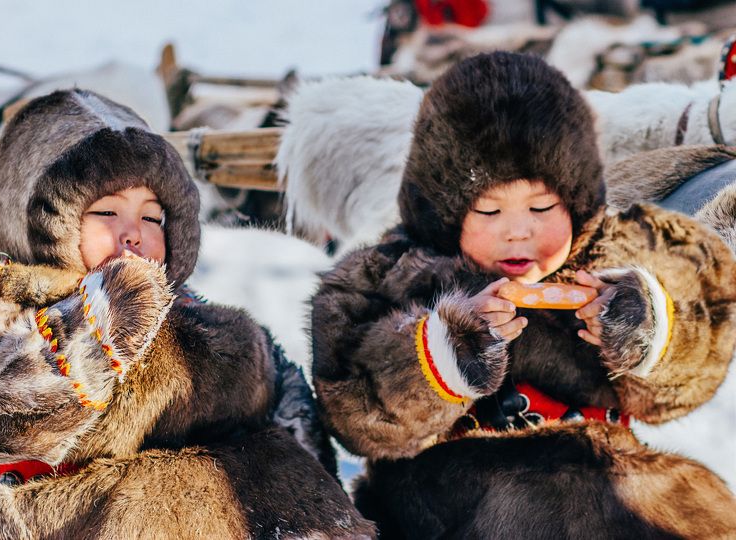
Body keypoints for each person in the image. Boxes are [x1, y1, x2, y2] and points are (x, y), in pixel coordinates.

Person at [311, 52, 736, 538]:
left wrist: (648, 327)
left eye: (541, 207)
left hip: (614, 489)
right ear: (445, 210)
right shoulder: (390, 275)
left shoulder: (624, 255)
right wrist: (443, 353)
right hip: (450, 502)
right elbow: (355, 411)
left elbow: (696, 355)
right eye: (489, 212)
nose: (519, 233)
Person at [0, 89, 374, 539]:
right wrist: (106, 323)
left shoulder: (203, 320)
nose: (133, 235)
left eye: (152, 217)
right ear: (42, 222)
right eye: (107, 211)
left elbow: (296, 432)